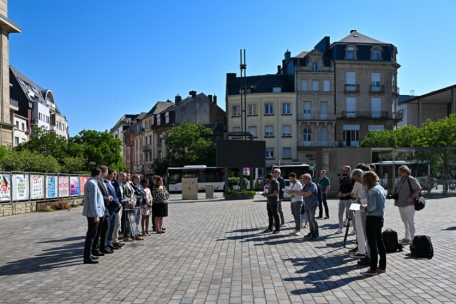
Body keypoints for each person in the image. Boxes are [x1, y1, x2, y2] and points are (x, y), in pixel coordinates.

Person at [359, 171, 387, 276]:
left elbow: (372, 207)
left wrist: (363, 208)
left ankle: (373, 268)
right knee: (380, 242)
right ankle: (382, 266)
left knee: (372, 244)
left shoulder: (372, 190)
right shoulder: (381, 188)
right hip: (380, 218)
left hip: (372, 218)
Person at [82, 167, 105, 264]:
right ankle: (87, 257)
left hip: (93, 213)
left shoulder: (92, 182)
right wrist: (96, 215)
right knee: (91, 236)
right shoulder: (92, 184)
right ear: (98, 174)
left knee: (92, 235)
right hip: (92, 214)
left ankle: (89, 254)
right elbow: (93, 201)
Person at [393, 165, 421, 243]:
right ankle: (407, 237)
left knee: (410, 220)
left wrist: (411, 197)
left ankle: (413, 237)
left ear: (406, 172)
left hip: (409, 203)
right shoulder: (399, 180)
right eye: (399, 172)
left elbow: (418, 189)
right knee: (404, 220)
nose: (399, 173)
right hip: (400, 203)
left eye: (401, 172)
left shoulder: (411, 179)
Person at [93, 165, 114, 255]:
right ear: (103, 172)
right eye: (106, 172)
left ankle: (104, 246)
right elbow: (98, 197)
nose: (106, 174)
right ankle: (96, 248)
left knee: (106, 227)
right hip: (100, 209)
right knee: (99, 230)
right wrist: (107, 198)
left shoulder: (103, 182)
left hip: (105, 208)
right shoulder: (97, 182)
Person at [293, 174, 319, 240]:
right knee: (309, 220)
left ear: (308, 179)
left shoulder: (312, 185)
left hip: (312, 204)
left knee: (312, 219)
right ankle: (311, 232)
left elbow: (309, 194)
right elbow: (300, 193)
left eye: (303, 179)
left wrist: (304, 194)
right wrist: (305, 194)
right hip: (307, 204)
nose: (302, 180)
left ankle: (316, 233)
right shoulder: (305, 185)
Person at [350, 169, 366, 258]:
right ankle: (362, 250)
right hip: (358, 204)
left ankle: (361, 251)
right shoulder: (364, 183)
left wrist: (359, 199)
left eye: (356, 179)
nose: (356, 181)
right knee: (360, 230)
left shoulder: (363, 184)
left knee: (360, 230)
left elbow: (353, 193)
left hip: (361, 206)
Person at [105, 167, 122, 250]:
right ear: (107, 174)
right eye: (112, 174)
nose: (114, 176)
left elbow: (114, 195)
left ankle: (110, 242)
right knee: (109, 227)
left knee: (112, 226)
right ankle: (107, 243)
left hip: (114, 208)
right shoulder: (105, 183)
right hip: (110, 207)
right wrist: (117, 203)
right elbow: (110, 196)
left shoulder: (110, 182)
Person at [336, 165, 354, 234]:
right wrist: (340, 192)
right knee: (340, 213)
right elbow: (340, 188)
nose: (344, 172)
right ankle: (340, 228)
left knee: (351, 214)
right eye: (343, 171)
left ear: (349, 171)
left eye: (346, 171)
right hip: (341, 198)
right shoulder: (341, 178)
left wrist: (347, 194)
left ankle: (354, 229)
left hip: (348, 198)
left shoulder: (351, 179)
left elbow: (353, 190)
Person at [112, 172, 128, 246]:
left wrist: (124, 197)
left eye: (125, 176)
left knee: (118, 224)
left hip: (121, 206)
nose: (124, 177)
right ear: (119, 176)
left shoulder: (121, 185)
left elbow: (120, 195)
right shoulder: (115, 185)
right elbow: (114, 196)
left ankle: (116, 239)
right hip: (116, 207)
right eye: (123, 176)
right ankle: (114, 241)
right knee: (117, 223)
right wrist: (120, 200)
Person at [131, 174, 146, 239]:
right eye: (137, 178)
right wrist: (141, 193)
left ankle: (137, 231)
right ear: (134, 179)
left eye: (139, 178)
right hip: (135, 203)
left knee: (138, 219)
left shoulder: (139, 185)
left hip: (139, 203)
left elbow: (143, 192)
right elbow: (137, 193)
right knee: (134, 219)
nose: (139, 179)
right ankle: (134, 232)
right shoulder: (133, 185)